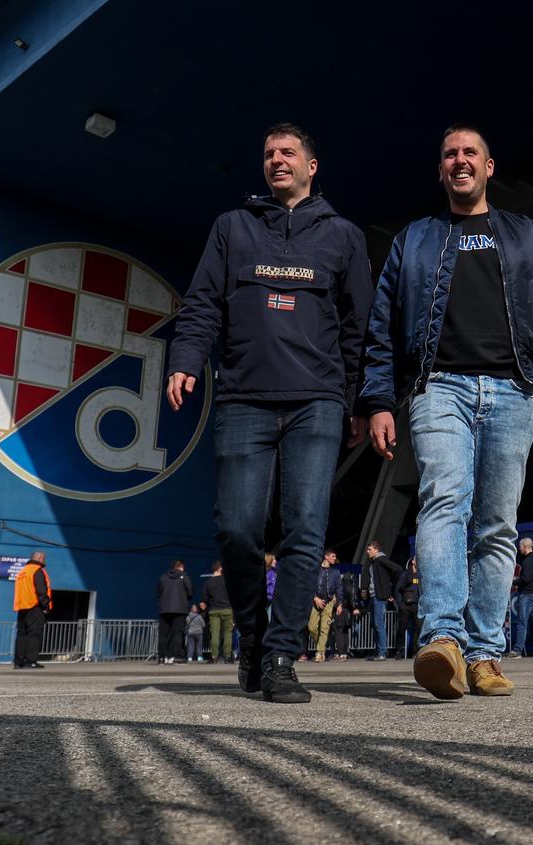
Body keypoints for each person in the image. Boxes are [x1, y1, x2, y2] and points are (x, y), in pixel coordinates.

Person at [360, 125, 533, 699]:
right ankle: (443, 641)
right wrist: (378, 400)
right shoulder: (416, 239)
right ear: (441, 170)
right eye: (449, 154)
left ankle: (483, 655)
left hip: (511, 390)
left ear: (489, 166)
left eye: (469, 153)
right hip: (439, 387)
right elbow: (381, 325)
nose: (459, 161)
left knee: (498, 524)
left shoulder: (527, 236)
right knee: (444, 501)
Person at [165, 122, 372, 704]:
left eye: (288, 153)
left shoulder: (343, 237)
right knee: (236, 528)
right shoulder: (233, 228)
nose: (276, 161)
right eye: (268, 154)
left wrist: (362, 400)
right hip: (243, 399)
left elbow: (359, 328)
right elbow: (203, 302)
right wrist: (186, 357)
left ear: (312, 165)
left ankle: (281, 656)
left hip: (317, 402)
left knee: (305, 529)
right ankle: (252, 638)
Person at [362, 541, 402, 661]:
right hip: (374, 596)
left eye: (369, 549)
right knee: (375, 624)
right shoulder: (373, 562)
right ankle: (378, 651)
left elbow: (397, 569)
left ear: (376, 550)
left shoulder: (381, 559)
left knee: (379, 624)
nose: (367, 551)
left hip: (379, 597)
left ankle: (382, 652)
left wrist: (389, 588)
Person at [13, 551, 52, 668]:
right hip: (35, 607)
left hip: (22, 607)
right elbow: (41, 590)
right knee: (34, 635)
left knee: (21, 635)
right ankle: (31, 661)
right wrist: (46, 606)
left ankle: (19, 662)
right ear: (39, 558)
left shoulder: (22, 572)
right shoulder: (37, 571)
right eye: (44, 558)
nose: (45, 561)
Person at [305, 550, 341, 662]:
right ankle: (321, 646)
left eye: (335, 556)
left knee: (324, 629)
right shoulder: (315, 570)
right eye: (333, 556)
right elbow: (308, 585)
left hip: (329, 602)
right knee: (311, 627)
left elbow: (339, 588)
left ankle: (320, 653)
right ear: (326, 557)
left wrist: (339, 604)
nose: (335, 558)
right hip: (315, 601)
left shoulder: (335, 572)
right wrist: (315, 598)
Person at [156, 559, 193, 664]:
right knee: (177, 633)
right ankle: (174, 657)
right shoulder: (184, 577)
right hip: (180, 610)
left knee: (163, 634)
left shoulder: (163, 577)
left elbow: (158, 591)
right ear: (181, 567)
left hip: (164, 609)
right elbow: (190, 592)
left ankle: (162, 657)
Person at [200, 561, 234, 664]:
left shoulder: (208, 582)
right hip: (228, 609)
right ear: (220, 569)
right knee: (228, 634)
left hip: (214, 610)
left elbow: (203, 600)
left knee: (214, 634)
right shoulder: (228, 581)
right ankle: (227, 657)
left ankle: (214, 656)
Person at [393, 557, 422, 659]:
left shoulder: (421, 575)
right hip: (405, 606)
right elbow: (397, 589)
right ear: (413, 561)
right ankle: (399, 651)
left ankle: (417, 651)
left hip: (416, 605)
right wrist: (400, 604)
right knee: (401, 629)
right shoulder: (406, 574)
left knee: (419, 628)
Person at [332, 565, 358, 661]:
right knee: (345, 632)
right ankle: (344, 653)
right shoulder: (351, 587)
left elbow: (338, 599)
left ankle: (340, 652)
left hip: (340, 610)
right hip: (348, 612)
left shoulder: (341, 587)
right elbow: (352, 601)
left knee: (338, 632)